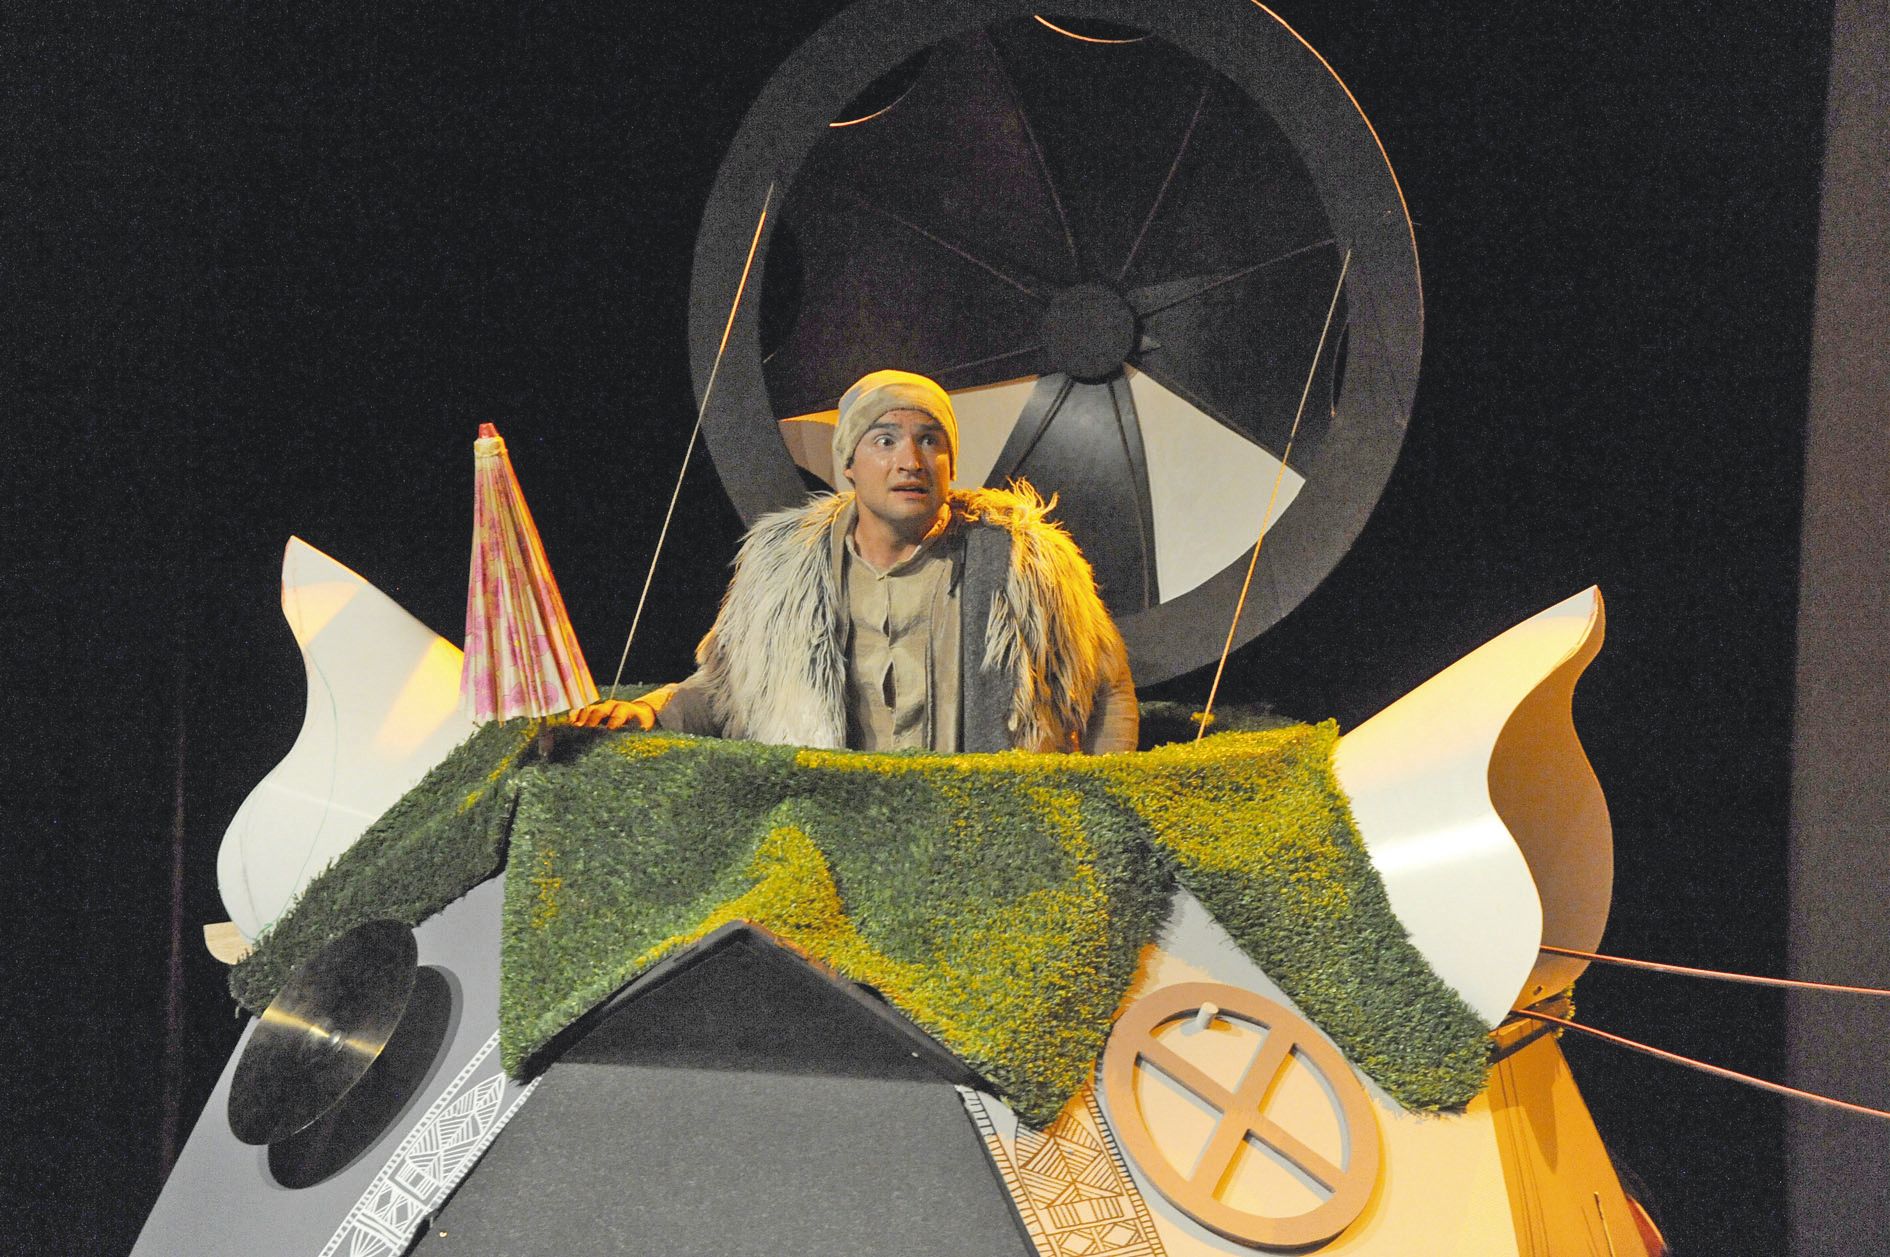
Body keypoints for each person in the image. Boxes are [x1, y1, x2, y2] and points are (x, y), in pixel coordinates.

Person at [575, 369, 1137, 753]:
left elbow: (1108, 691)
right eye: (884, 441)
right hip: (834, 829)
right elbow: (724, 689)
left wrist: (1093, 810)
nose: (910, 461)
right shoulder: (784, 571)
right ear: (849, 462)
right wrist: (650, 710)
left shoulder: (1025, 563)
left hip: (981, 833)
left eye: (930, 440)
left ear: (950, 460)